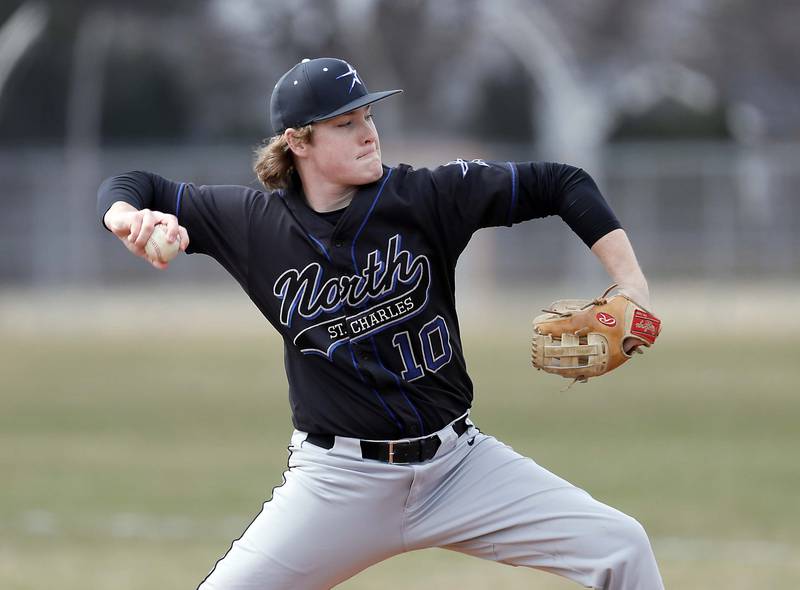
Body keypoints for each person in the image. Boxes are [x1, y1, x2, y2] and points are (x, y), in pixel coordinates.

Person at [97, 57, 664, 590]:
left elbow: (562, 183)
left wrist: (631, 286)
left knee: (624, 547)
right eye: (346, 123)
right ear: (297, 141)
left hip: (459, 468)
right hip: (339, 482)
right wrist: (128, 218)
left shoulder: (426, 196)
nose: (369, 132)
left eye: (368, 116)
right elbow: (133, 183)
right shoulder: (253, 224)